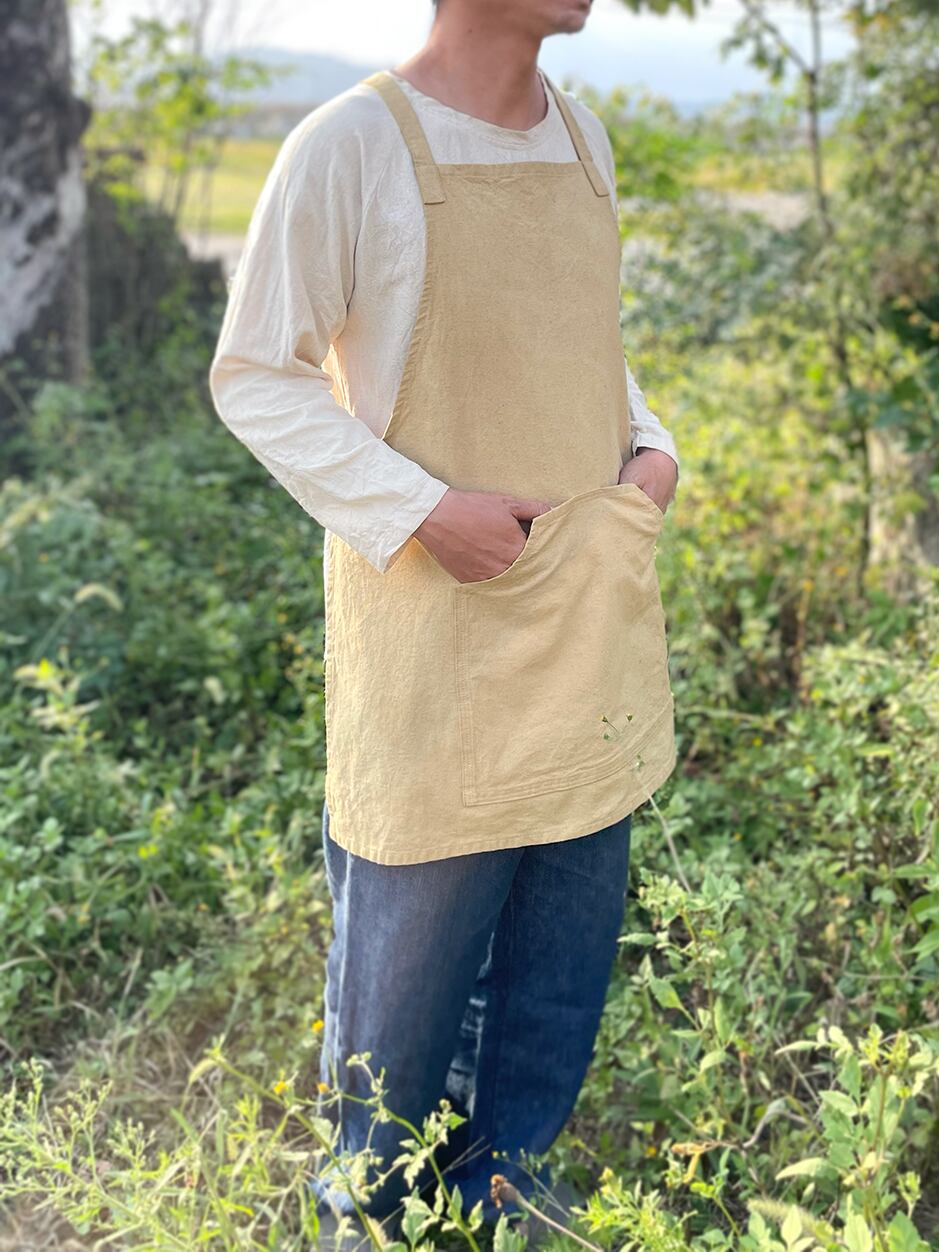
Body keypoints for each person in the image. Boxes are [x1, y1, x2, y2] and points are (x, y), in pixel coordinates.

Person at [209, 0, 680, 1241]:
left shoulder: (584, 140)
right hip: (434, 658)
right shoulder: (352, 146)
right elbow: (256, 374)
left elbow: (588, 344)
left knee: (545, 1011)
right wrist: (422, 510)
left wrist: (652, 450)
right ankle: (364, 1222)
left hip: (583, 640)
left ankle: (500, 1204)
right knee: (395, 1048)